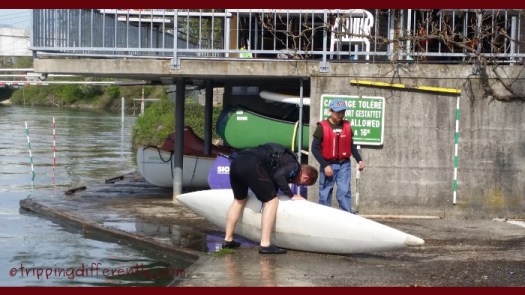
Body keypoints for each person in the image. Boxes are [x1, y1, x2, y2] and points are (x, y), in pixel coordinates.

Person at [222, 143, 319, 254]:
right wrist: (291, 195)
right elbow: (279, 176)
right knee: (271, 202)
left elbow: (274, 180)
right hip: (252, 163)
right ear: (305, 177)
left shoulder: (285, 162)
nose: (299, 185)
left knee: (239, 200)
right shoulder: (294, 166)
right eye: (303, 184)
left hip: (237, 161)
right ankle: (265, 244)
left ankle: (228, 239)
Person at [311, 98, 365, 213]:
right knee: (325, 192)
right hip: (328, 165)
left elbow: (351, 145)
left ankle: (346, 215)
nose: (341, 115)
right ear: (331, 111)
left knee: (344, 191)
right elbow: (314, 149)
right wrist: (325, 165)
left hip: (344, 165)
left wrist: (359, 160)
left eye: (343, 112)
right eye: (338, 112)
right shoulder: (322, 127)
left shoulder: (347, 126)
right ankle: (324, 216)